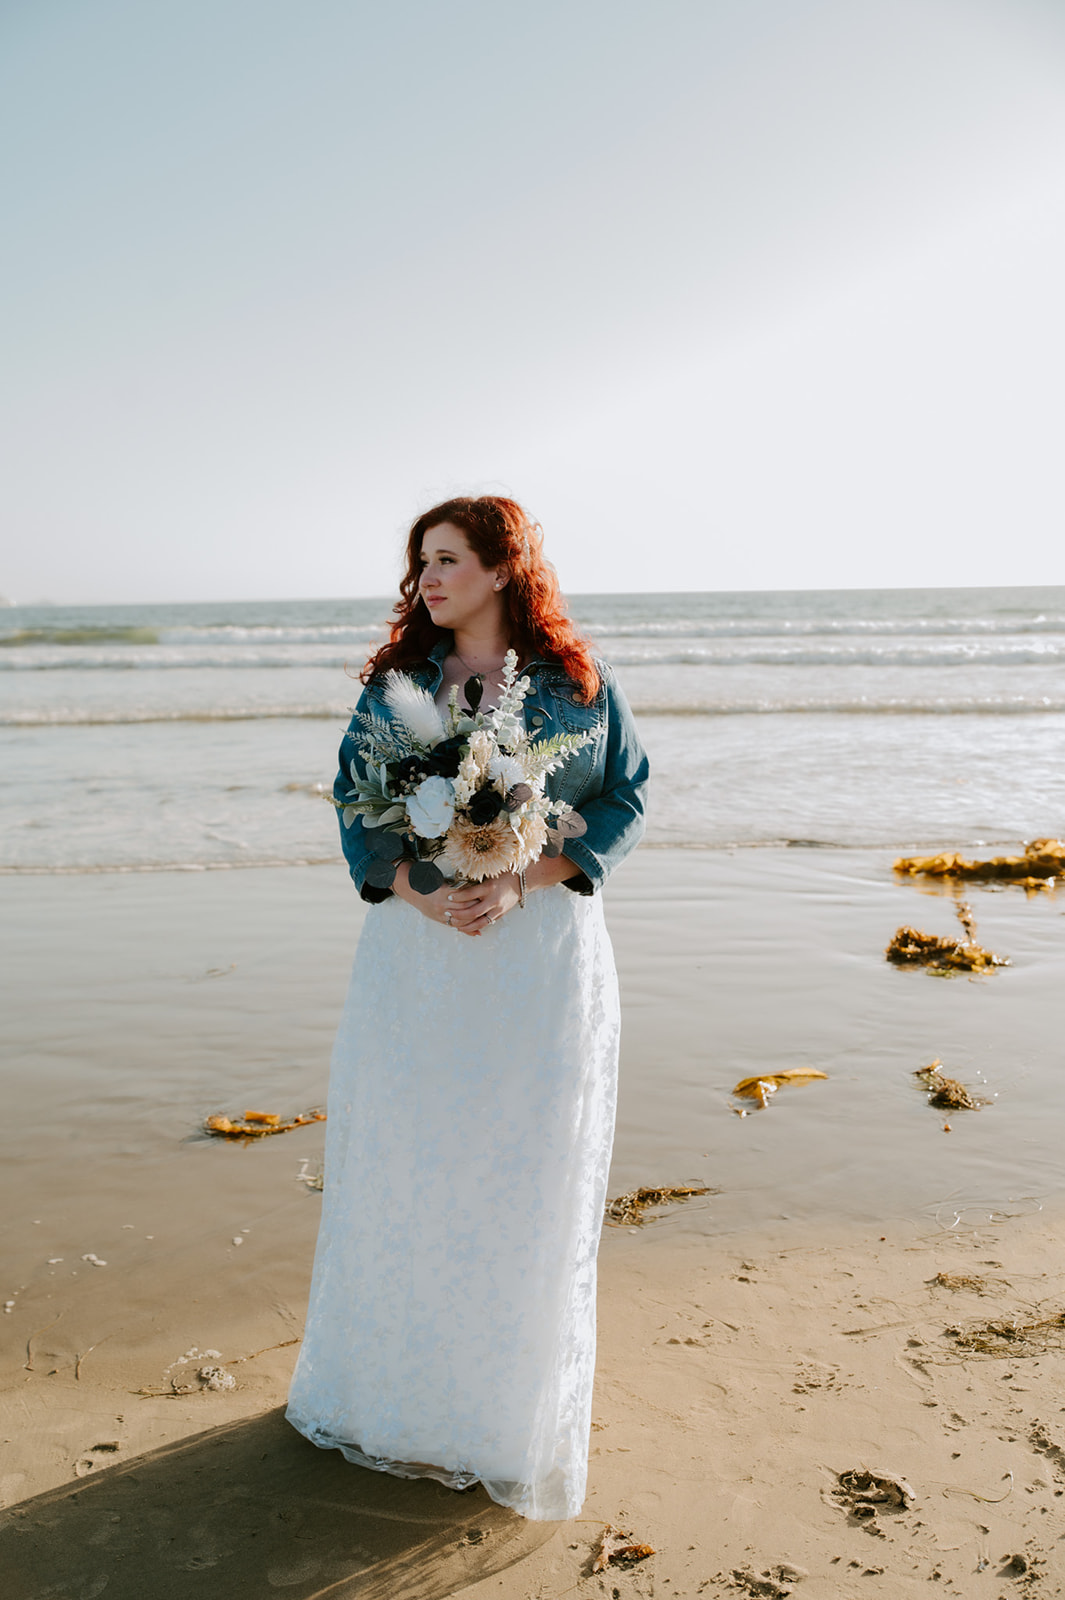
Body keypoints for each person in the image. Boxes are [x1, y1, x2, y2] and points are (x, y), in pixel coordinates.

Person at [286, 496, 649, 1521]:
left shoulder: (580, 687)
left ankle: (499, 1417)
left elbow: (628, 794)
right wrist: (417, 888)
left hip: (538, 953)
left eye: (446, 559)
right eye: (420, 563)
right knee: (411, 1157)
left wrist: (531, 876)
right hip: (422, 952)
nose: (426, 580)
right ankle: (395, 1404)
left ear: (502, 568)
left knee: (522, 1166)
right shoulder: (394, 690)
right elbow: (353, 807)